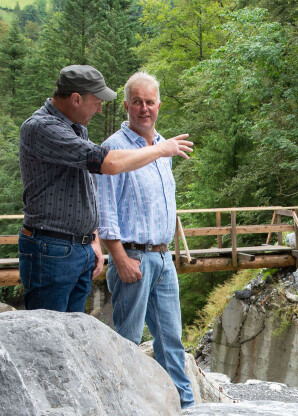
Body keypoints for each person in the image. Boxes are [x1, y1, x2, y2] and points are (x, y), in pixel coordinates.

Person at [18, 64, 193, 312]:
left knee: (74, 334)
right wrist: (160, 150)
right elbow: (107, 163)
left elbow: (87, 187)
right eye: (97, 101)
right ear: (76, 99)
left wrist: (91, 239)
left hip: (76, 248)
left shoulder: (76, 127)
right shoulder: (42, 128)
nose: (100, 108)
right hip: (51, 250)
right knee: (50, 337)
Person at [97, 72, 195, 408]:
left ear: (158, 105)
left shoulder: (164, 146)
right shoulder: (114, 148)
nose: (143, 108)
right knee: (128, 340)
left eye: (149, 102)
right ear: (126, 105)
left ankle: (185, 409)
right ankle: (125, 409)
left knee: (171, 339)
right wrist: (119, 258)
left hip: (164, 258)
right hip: (133, 258)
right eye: (136, 102)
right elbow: (105, 208)